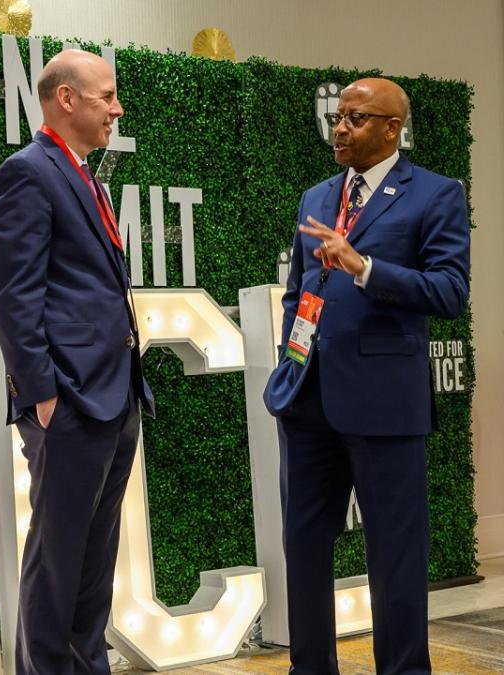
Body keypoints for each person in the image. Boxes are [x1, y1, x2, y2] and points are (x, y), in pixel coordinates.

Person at [264, 78, 470, 673]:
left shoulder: (435, 195)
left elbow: (450, 291)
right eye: (338, 116)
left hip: (384, 407)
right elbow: (301, 290)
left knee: (395, 557)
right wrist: (289, 359)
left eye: (356, 118)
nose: (341, 127)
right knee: (304, 548)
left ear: (391, 128)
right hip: (307, 403)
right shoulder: (316, 197)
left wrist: (366, 267)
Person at [0, 49, 154, 675]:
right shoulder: (26, 173)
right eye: (106, 96)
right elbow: (15, 293)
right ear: (67, 100)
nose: (117, 107)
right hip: (71, 400)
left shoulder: (86, 176)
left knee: (92, 562)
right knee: (58, 563)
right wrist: (42, 393)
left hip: (115, 394)